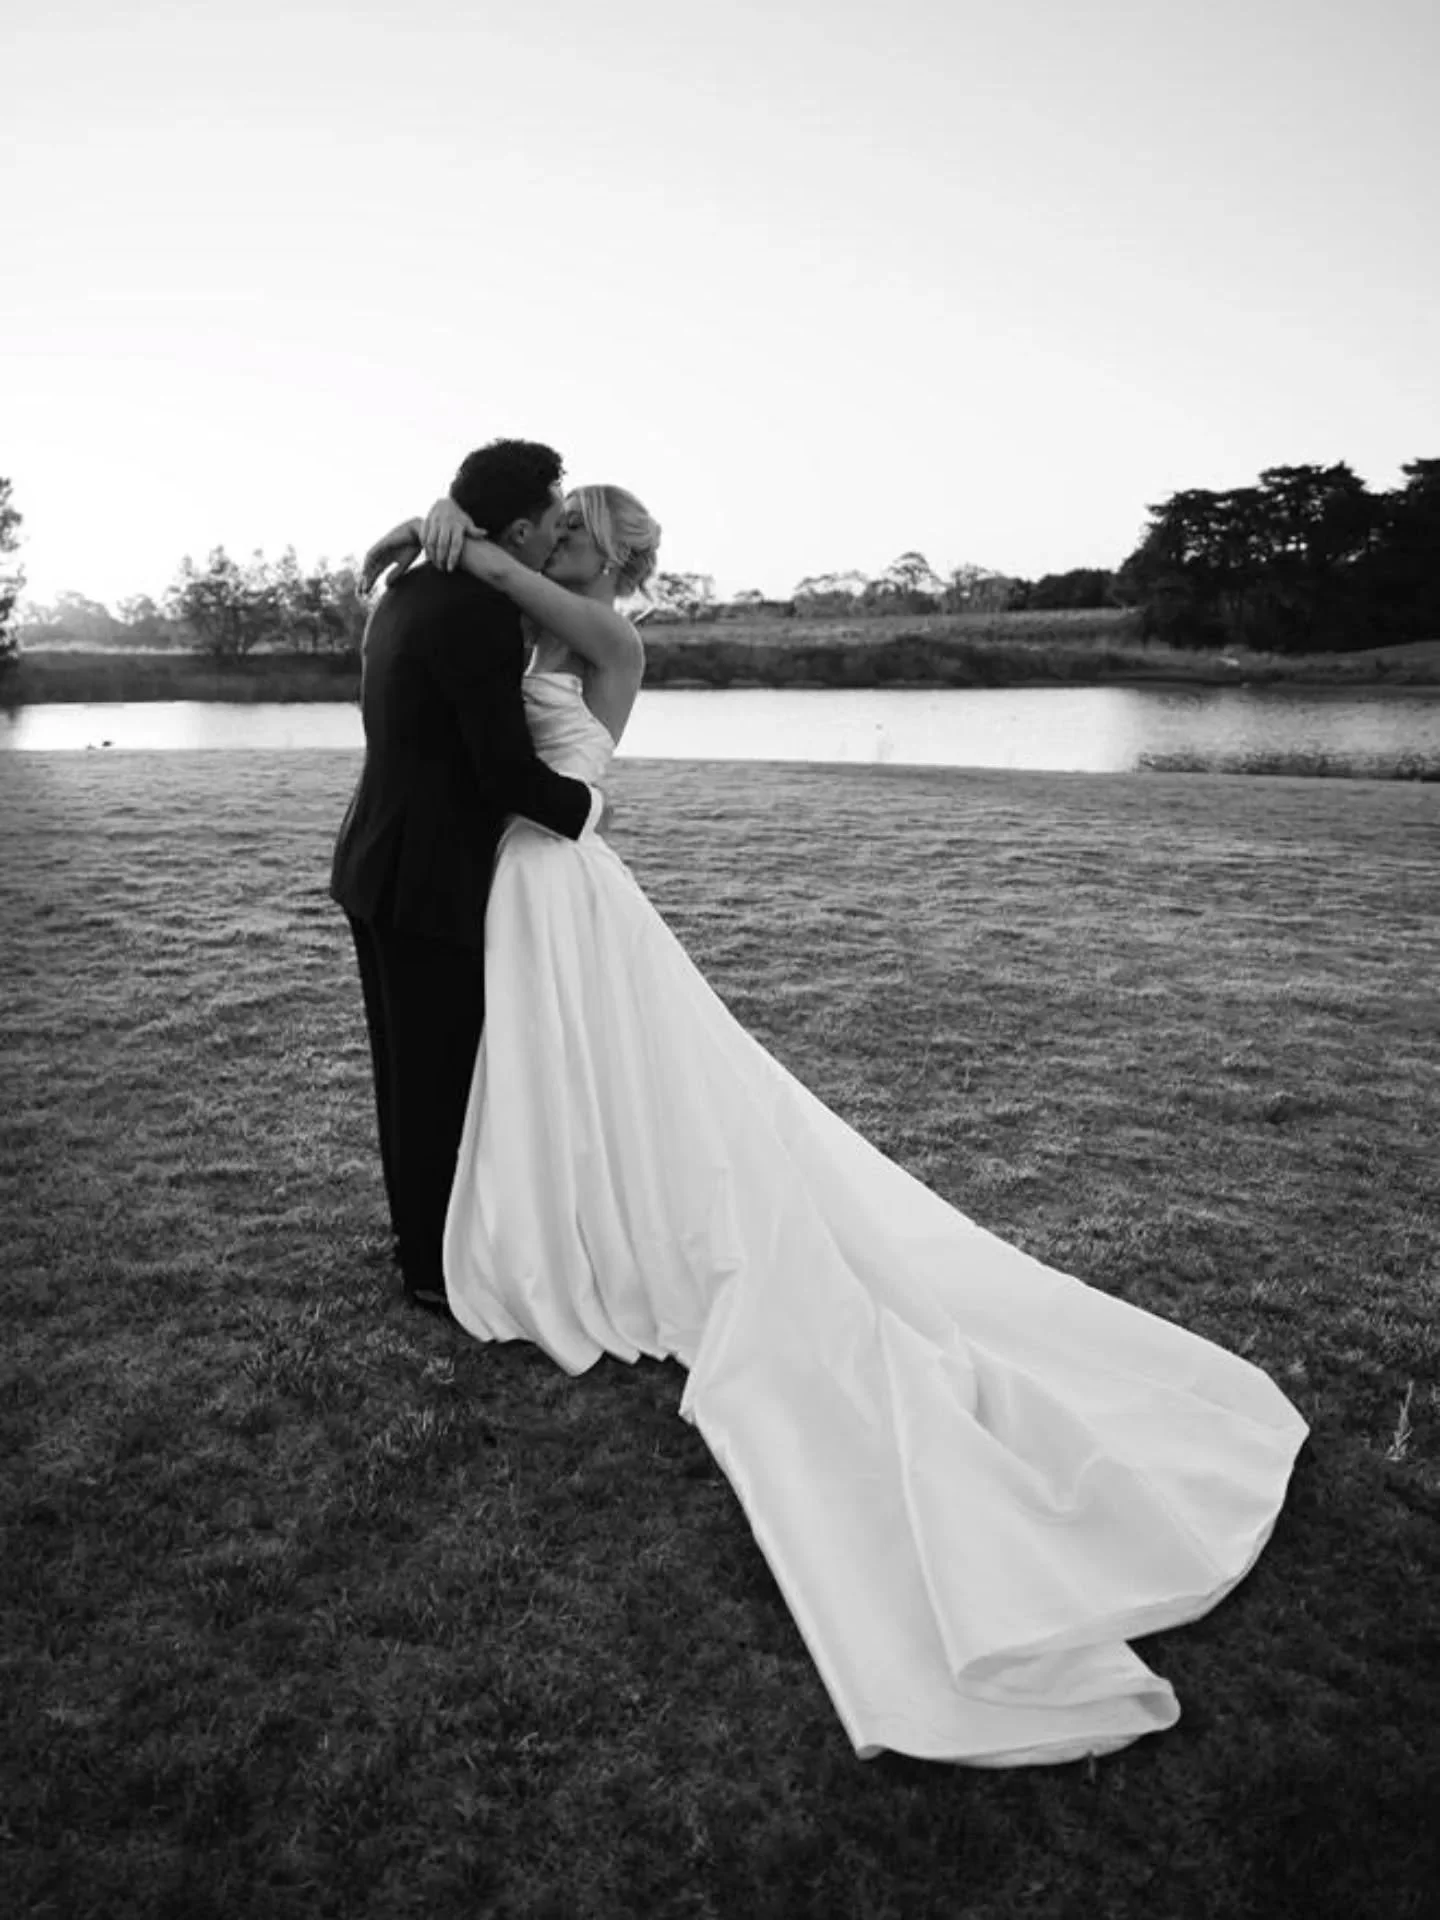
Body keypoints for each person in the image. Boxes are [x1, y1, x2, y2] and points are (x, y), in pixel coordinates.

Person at [360, 485, 1309, 1770]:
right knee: (555, 1077)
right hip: (510, 883)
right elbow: (461, 629)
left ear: (609, 557)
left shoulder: (604, 636)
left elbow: (512, 618)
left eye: (575, 534)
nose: (556, 545)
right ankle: (562, 1214)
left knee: (623, 1079)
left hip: (560, 880)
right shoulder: (517, 622)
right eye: (554, 530)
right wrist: (439, 536)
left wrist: (462, 530)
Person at [330, 439, 604, 1316]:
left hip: (376, 859)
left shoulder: (406, 587)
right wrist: (588, 811)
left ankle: (421, 1245)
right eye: (555, 523)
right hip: (431, 876)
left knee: (403, 1073)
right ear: (521, 531)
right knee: (437, 1077)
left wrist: (427, 520)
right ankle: (433, 1269)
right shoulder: (479, 616)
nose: (560, 534)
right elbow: (503, 773)